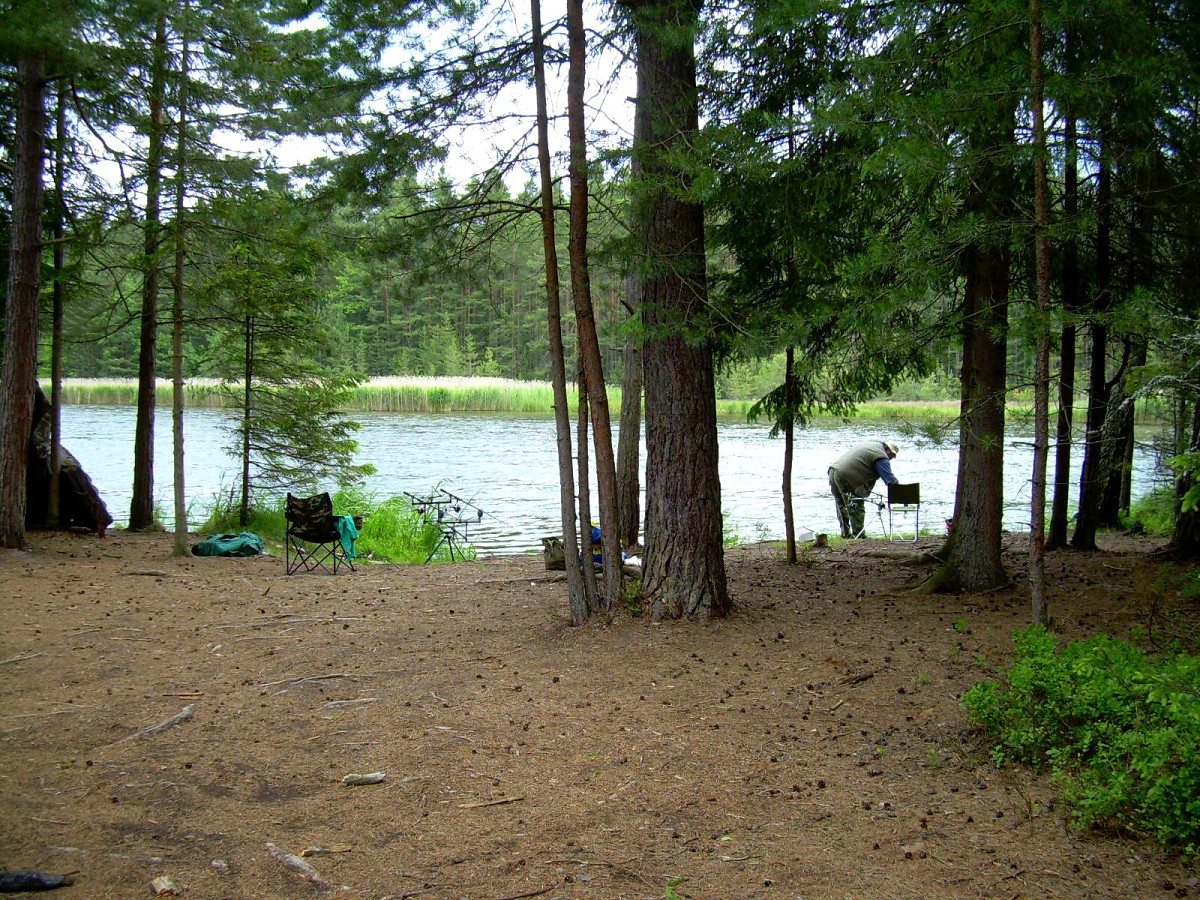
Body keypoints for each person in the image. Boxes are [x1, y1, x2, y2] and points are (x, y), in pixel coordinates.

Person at [828, 440, 900, 539]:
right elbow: (890, 480)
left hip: (833, 471)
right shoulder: (881, 456)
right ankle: (859, 535)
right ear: (888, 451)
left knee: (841, 505)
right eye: (892, 456)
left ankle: (845, 535)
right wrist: (902, 493)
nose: (891, 458)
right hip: (847, 476)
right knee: (856, 504)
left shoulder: (871, 445)